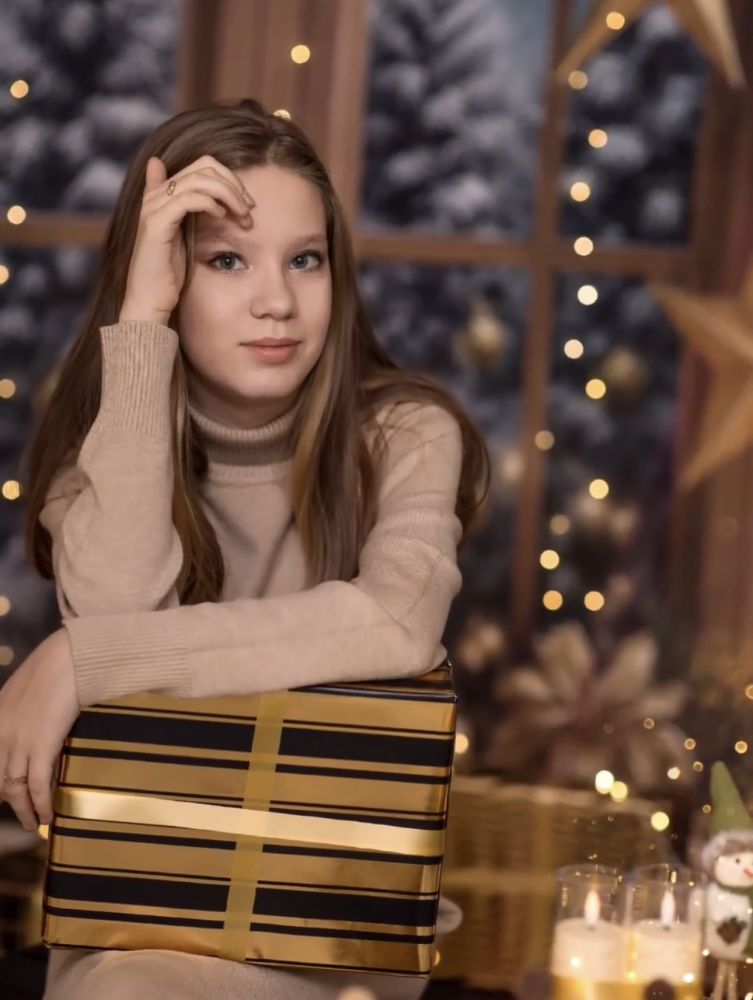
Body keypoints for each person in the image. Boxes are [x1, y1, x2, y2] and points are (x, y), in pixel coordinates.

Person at [0, 98, 489, 999]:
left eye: (305, 259)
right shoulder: (101, 467)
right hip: (137, 924)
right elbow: (119, 630)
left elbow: (396, 621)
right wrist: (142, 323)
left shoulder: (405, 436)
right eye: (226, 260)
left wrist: (86, 657)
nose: (278, 302)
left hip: (333, 934)